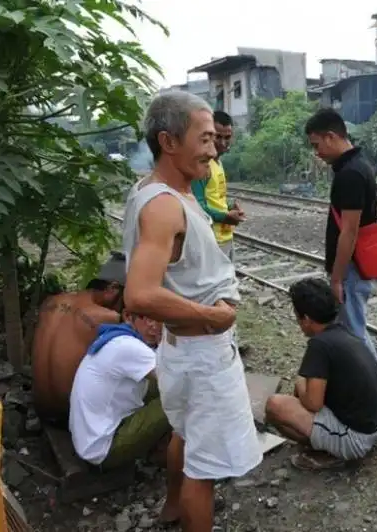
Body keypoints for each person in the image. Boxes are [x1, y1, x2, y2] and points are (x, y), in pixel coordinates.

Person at [123, 90, 261, 530]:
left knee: (183, 433)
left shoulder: (155, 190)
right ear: (168, 142)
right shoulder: (165, 207)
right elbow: (139, 294)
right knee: (204, 471)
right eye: (203, 139)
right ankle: (187, 509)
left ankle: (170, 507)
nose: (213, 148)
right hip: (202, 353)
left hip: (178, 350)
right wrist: (212, 316)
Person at [264, 278, 377, 469]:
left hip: (358, 438)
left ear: (306, 319)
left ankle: (330, 453)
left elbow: (313, 403)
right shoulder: (345, 331)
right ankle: (331, 442)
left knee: (275, 406)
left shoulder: (319, 344)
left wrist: (300, 381)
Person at [304, 108, 377, 361]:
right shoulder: (357, 166)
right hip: (354, 267)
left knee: (354, 333)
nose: (317, 152)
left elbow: (349, 232)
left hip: (351, 269)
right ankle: (373, 386)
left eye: (317, 145)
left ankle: (374, 390)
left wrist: (336, 279)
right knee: (354, 326)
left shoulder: (350, 174)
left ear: (330, 136)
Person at [69, 303, 170, 469]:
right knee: (178, 397)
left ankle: (161, 447)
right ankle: (165, 455)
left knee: (158, 388)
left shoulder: (116, 337)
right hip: (104, 449)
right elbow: (178, 382)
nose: (153, 326)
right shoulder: (129, 347)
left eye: (159, 319)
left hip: (88, 439)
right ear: (129, 317)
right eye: (146, 318)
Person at [32, 253, 126, 426]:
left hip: (41, 409)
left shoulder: (51, 302)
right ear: (112, 289)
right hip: (72, 415)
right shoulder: (108, 317)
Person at [191, 110, 244, 261]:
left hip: (225, 237)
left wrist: (229, 207)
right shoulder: (203, 166)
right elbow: (197, 206)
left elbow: (213, 197)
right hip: (210, 240)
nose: (222, 142)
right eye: (217, 137)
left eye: (227, 137)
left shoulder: (217, 163)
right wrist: (225, 216)